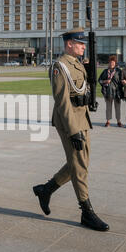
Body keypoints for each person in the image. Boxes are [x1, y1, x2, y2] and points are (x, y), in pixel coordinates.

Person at [32, 27, 109, 232]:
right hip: (69, 122)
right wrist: (73, 130)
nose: (83, 47)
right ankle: (86, 211)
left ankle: (46, 190)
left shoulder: (77, 64)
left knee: (79, 162)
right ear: (69, 44)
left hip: (82, 118)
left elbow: (82, 90)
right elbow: (62, 101)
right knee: (80, 166)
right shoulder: (60, 66)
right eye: (80, 43)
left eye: (84, 43)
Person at [98, 55, 123, 127]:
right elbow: (99, 80)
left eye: (113, 63)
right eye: (110, 63)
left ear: (115, 63)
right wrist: (105, 81)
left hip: (117, 92)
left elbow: (122, 80)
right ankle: (108, 121)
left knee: (117, 107)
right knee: (108, 107)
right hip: (108, 92)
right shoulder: (105, 71)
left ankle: (118, 121)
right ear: (108, 63)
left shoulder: (118, 71)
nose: (111, 64)